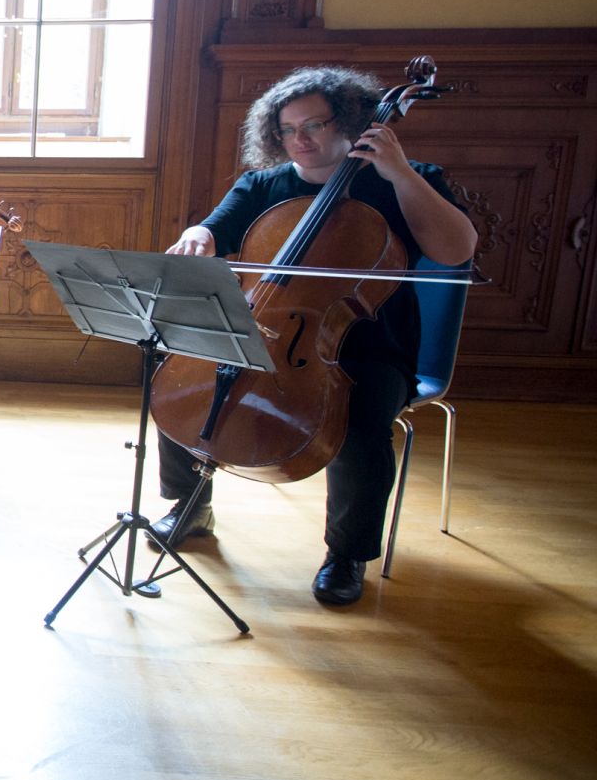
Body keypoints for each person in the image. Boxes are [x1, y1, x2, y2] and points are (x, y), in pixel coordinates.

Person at [151, 66, 477, 606]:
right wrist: (198, 233)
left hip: (371, 348)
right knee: (184, 371)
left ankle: (346, 553)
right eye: (286, 130)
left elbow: (455, 250)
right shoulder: (263, 186)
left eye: (315, 125)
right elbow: (214, 228)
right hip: (270, 329)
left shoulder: (407, 179)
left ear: (352, 120)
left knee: (360, 417)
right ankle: (189, 504)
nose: (299, 140)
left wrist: (400, 173)